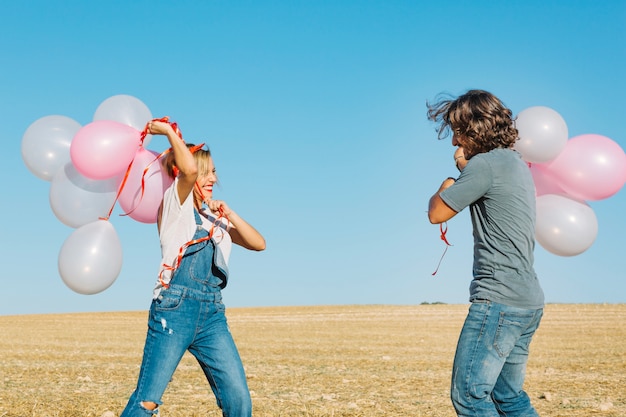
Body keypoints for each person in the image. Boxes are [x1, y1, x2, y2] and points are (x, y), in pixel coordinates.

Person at [120, 118, 266, 417]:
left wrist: (230, 213)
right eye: (204, 172)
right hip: (174, 309)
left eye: (213, 171)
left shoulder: (218, 220)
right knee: (147, 401)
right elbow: (185, 170)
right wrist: (170, 134)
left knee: (239, 400)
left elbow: (258, 243)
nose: (212, 177)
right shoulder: (174, 206)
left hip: (213, 314)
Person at [426, 90, 544, 417]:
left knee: (470, 396)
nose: (453, 142)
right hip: (528, 301)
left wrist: (448, 182)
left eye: (457, 131)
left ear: (474, 129)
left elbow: (437, 213)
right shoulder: (515, 163)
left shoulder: (484, 166)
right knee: (509, 397)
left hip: (498, 302)